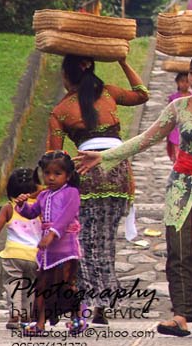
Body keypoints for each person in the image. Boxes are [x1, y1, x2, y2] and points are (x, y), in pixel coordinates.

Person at [78, 57, 192, 338]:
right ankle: (180, 316)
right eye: (191, 73)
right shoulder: (178, 108)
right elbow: (147, 138)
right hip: (180, 189)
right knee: (179, 251)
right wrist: (105, 156)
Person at [47, 55, 149, 325]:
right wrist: (124, 62)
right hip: (119, 176)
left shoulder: (60, 110)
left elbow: (52, 157)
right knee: (105, 241)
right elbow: (142, 94)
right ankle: (103, 300)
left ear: (67, 76)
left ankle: (91, 301)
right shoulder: (110, 93)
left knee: (86, 242)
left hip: (87, 176)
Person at [15, 151, 84, 336]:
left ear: (68, 175)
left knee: (66, 284)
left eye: (57, 174)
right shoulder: (43, 195)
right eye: (47, 173)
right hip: (47, 252)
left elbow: (65, 218)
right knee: (42, 286)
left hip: (66, 249)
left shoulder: (71, 193)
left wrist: (52, 235)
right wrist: (21, 205)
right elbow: (31, 212)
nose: (51, 178)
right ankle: (39, 323)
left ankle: (77, 318)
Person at [0, 168, 41, 329]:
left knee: (13, 283)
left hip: (13, 254)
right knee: (30, 285)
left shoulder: (9, 208)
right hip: (35, 255)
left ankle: (15, 314)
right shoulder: (39, 206)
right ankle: (27, 315)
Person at [166, 70, 192, 164]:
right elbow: (169, 114)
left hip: (189, 128)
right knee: (177, 155)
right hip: (176, 129)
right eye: (182, 81)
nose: (184, 84)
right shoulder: (173, 98)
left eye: (187, 81)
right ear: (177, 82)